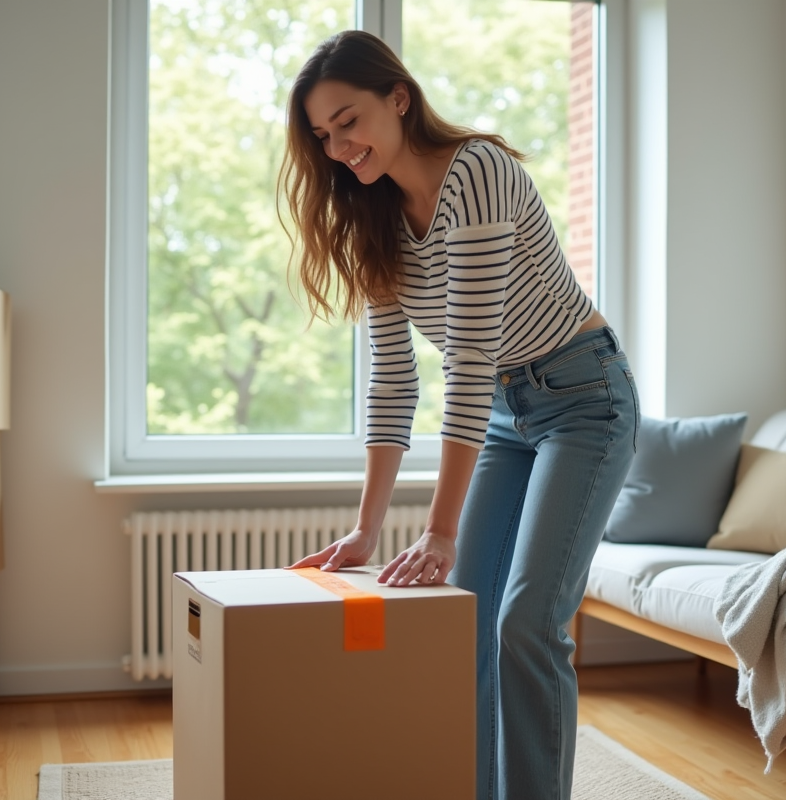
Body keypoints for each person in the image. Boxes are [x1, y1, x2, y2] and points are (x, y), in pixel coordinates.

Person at [283, 30, 639, 800]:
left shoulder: (477, 172)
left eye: (350, 121)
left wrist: (440, 530)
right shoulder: (371, 216)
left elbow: (468, 363)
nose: (340, 147)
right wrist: (367, 528)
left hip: (586, 400)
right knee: (465, 627)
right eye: (323, 136)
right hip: (510, 415)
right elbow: (391, 383)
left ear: (399, 100)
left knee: (526, 624)